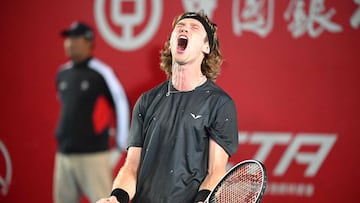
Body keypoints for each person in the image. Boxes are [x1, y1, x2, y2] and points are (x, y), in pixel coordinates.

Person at [97, 10, 238, 203]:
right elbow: (131, 167)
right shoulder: (146, 101)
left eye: (194, 28)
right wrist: (117, 198)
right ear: (171, 42)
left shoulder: (220, 104)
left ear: (206, 46)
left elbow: (215, 171)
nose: (185, 29)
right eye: (180, 27)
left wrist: (203, 200)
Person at [54, 21, 129, 203]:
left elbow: (122, 104)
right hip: (64, 155)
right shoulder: (62, 73)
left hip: (93, 156)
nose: (69, 43)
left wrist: (121, 145)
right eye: (68, 39)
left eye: (75, 38)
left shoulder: (101, 72)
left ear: (88, 41)